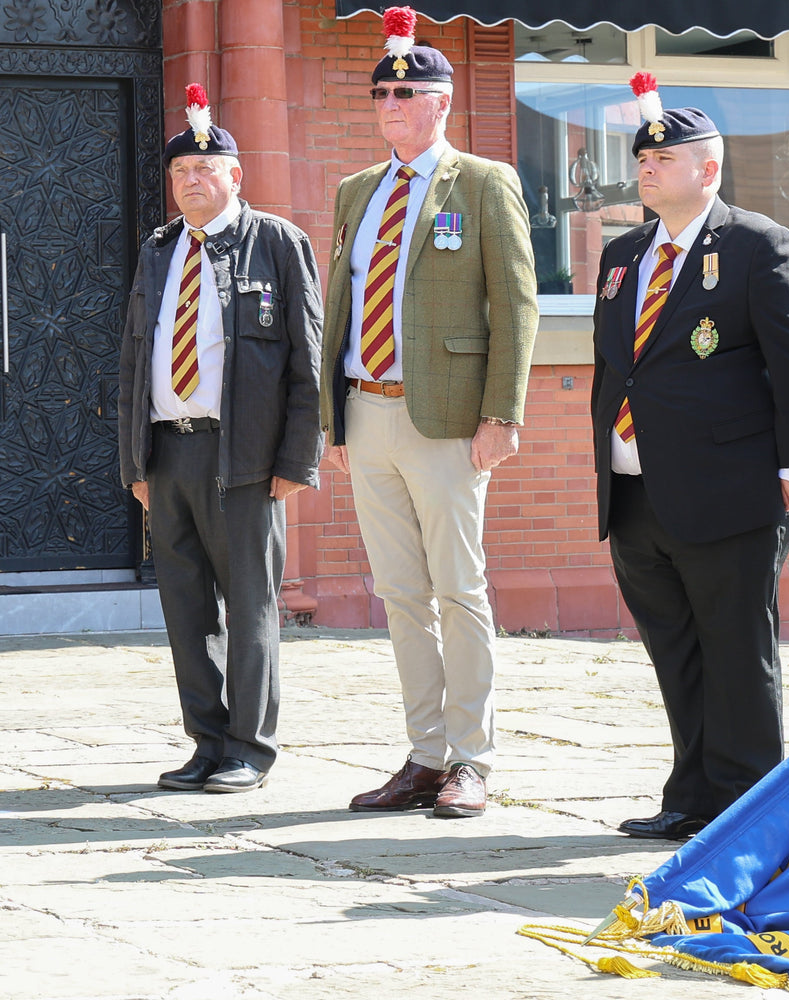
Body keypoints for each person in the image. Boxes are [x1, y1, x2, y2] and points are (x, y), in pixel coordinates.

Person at [591, 73, 789, 841]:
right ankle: (691, 797)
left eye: (665, 157)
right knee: (676, 651)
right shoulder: (623, 254)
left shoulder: (758, 244)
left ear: (709, 168)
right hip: (636, 489)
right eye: (643, 158)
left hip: (730, 488)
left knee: (736, 651)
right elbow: (615, 369)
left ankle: (749, 809)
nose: (648, 167)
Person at [321, 8, 537, 819]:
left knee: (458, 589)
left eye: (407, 94)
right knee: (400, 593)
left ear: (442, 102)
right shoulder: (356, 191)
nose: (391, 105)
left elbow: (515, 304)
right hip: (367, 411)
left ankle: (472, 760)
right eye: (381, 93)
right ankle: (423, 756)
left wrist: (502, 413)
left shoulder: (481, 182)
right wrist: (333, 422)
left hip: (446, 418)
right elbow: (340, 310)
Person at [119, 84, 323, 794]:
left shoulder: (276, 242)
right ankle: (206, 742)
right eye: (180, 171)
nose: (191, 181)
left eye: (205, 169)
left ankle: (248, 749)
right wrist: (135, 461)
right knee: (185, 606)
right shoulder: (159, 248)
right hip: (168, 451)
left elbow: (307, 358)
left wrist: (297, 457)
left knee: (251, 603)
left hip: (245, 455)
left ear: (235, 175)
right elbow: (135, 357)